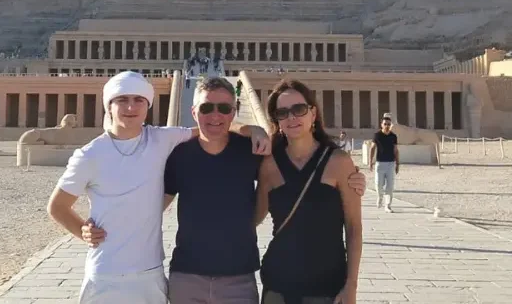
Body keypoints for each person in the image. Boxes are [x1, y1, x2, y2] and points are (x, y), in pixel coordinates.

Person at [82, 77, 366, 304]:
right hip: (194, 277)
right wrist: (100, 222)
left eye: (224, 109)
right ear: (194, 111)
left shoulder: (258, 153)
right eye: (206, 108)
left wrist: (355, 180)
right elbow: (150, 207)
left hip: (245, 279)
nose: (215, 115)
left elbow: (347, 221)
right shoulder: (181, 154)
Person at [46, 71, 270, 304]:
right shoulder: (89, 155)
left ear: (147, 105)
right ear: (108, 105)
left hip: (151, 271)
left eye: (138, 100)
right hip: (106, 271)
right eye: (122, 99)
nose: (131, 107)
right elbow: (57, 207)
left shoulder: (161, 140)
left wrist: (251, 129)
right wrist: (83, 230)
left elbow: (212, 130)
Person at [255, 79, 363, 304]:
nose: (292, 117)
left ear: (313, 113)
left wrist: (351, 284)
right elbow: (254, 218)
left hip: (326, 288)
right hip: (278, 286)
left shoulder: (339, 162)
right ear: (277, 120)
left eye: (299, 109)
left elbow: (353, 228)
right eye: (283, 112)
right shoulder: (269, 164)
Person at [369, 113, 400, 212]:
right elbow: (372, 148)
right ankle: (379, 196)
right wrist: (370, 162)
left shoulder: (393, 136)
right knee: (378, 184)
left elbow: (396, 150)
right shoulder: (377, 135)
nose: (387, 126)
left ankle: (388, 205)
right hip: (380, 163)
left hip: (390, 163)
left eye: (388, 124)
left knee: (390, 186)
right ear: (381, 124)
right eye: (385, 124)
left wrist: (398, 164)